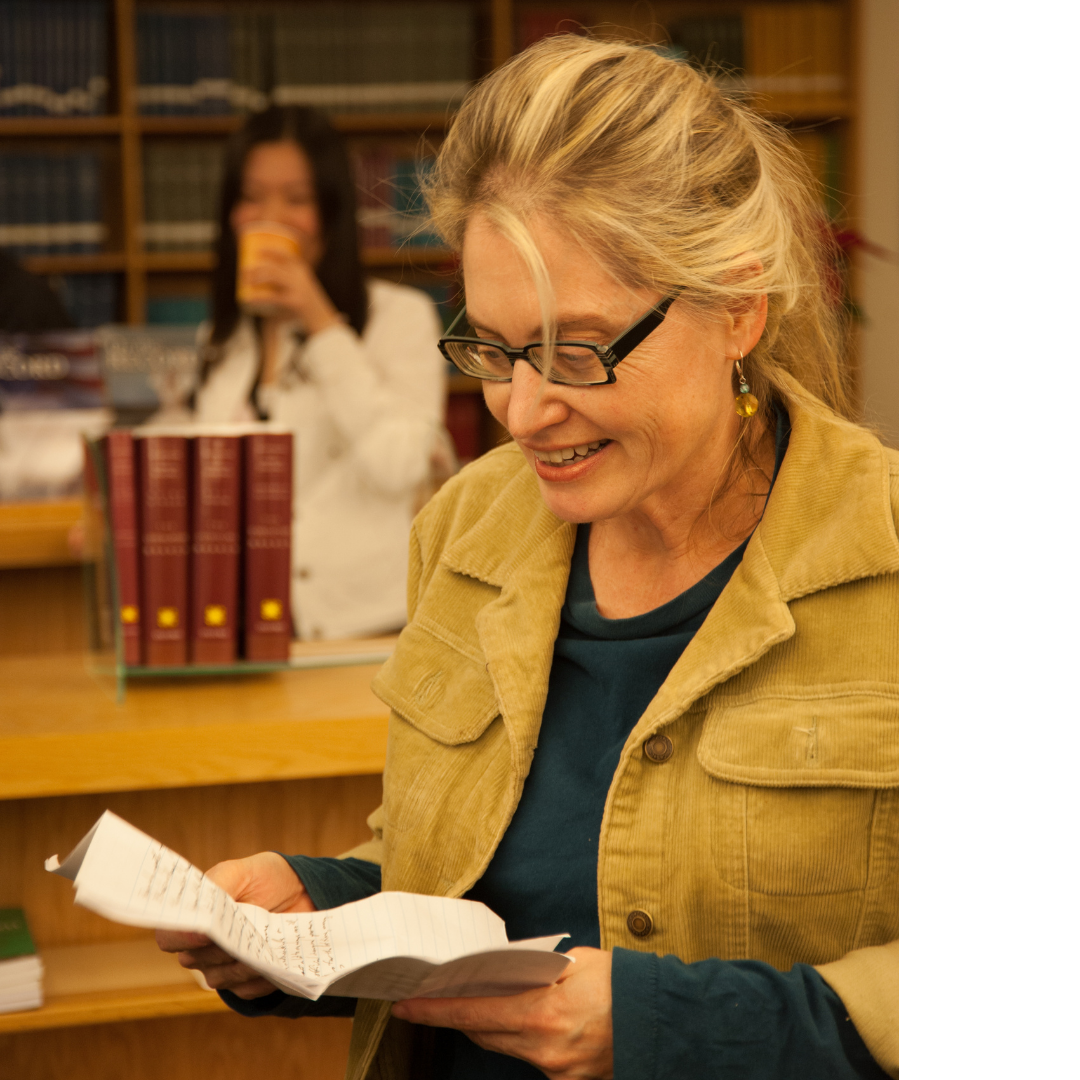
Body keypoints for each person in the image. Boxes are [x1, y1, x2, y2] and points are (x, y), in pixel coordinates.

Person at [158, 37, 898, 1080]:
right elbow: (471, 884)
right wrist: (314, 913)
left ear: (739, 306)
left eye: (576, 349)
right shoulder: (466, 532)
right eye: (495, 349)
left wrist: (664, 1027)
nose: (522, 409)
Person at [193, 106, 448, 640]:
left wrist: (318, 320)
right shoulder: (221, 342)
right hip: (249, 631)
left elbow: (401, 464)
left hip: (371, 630)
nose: (270, 217)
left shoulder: (397, 318)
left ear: (330, 215)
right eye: (252, 196)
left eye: (297, 199)